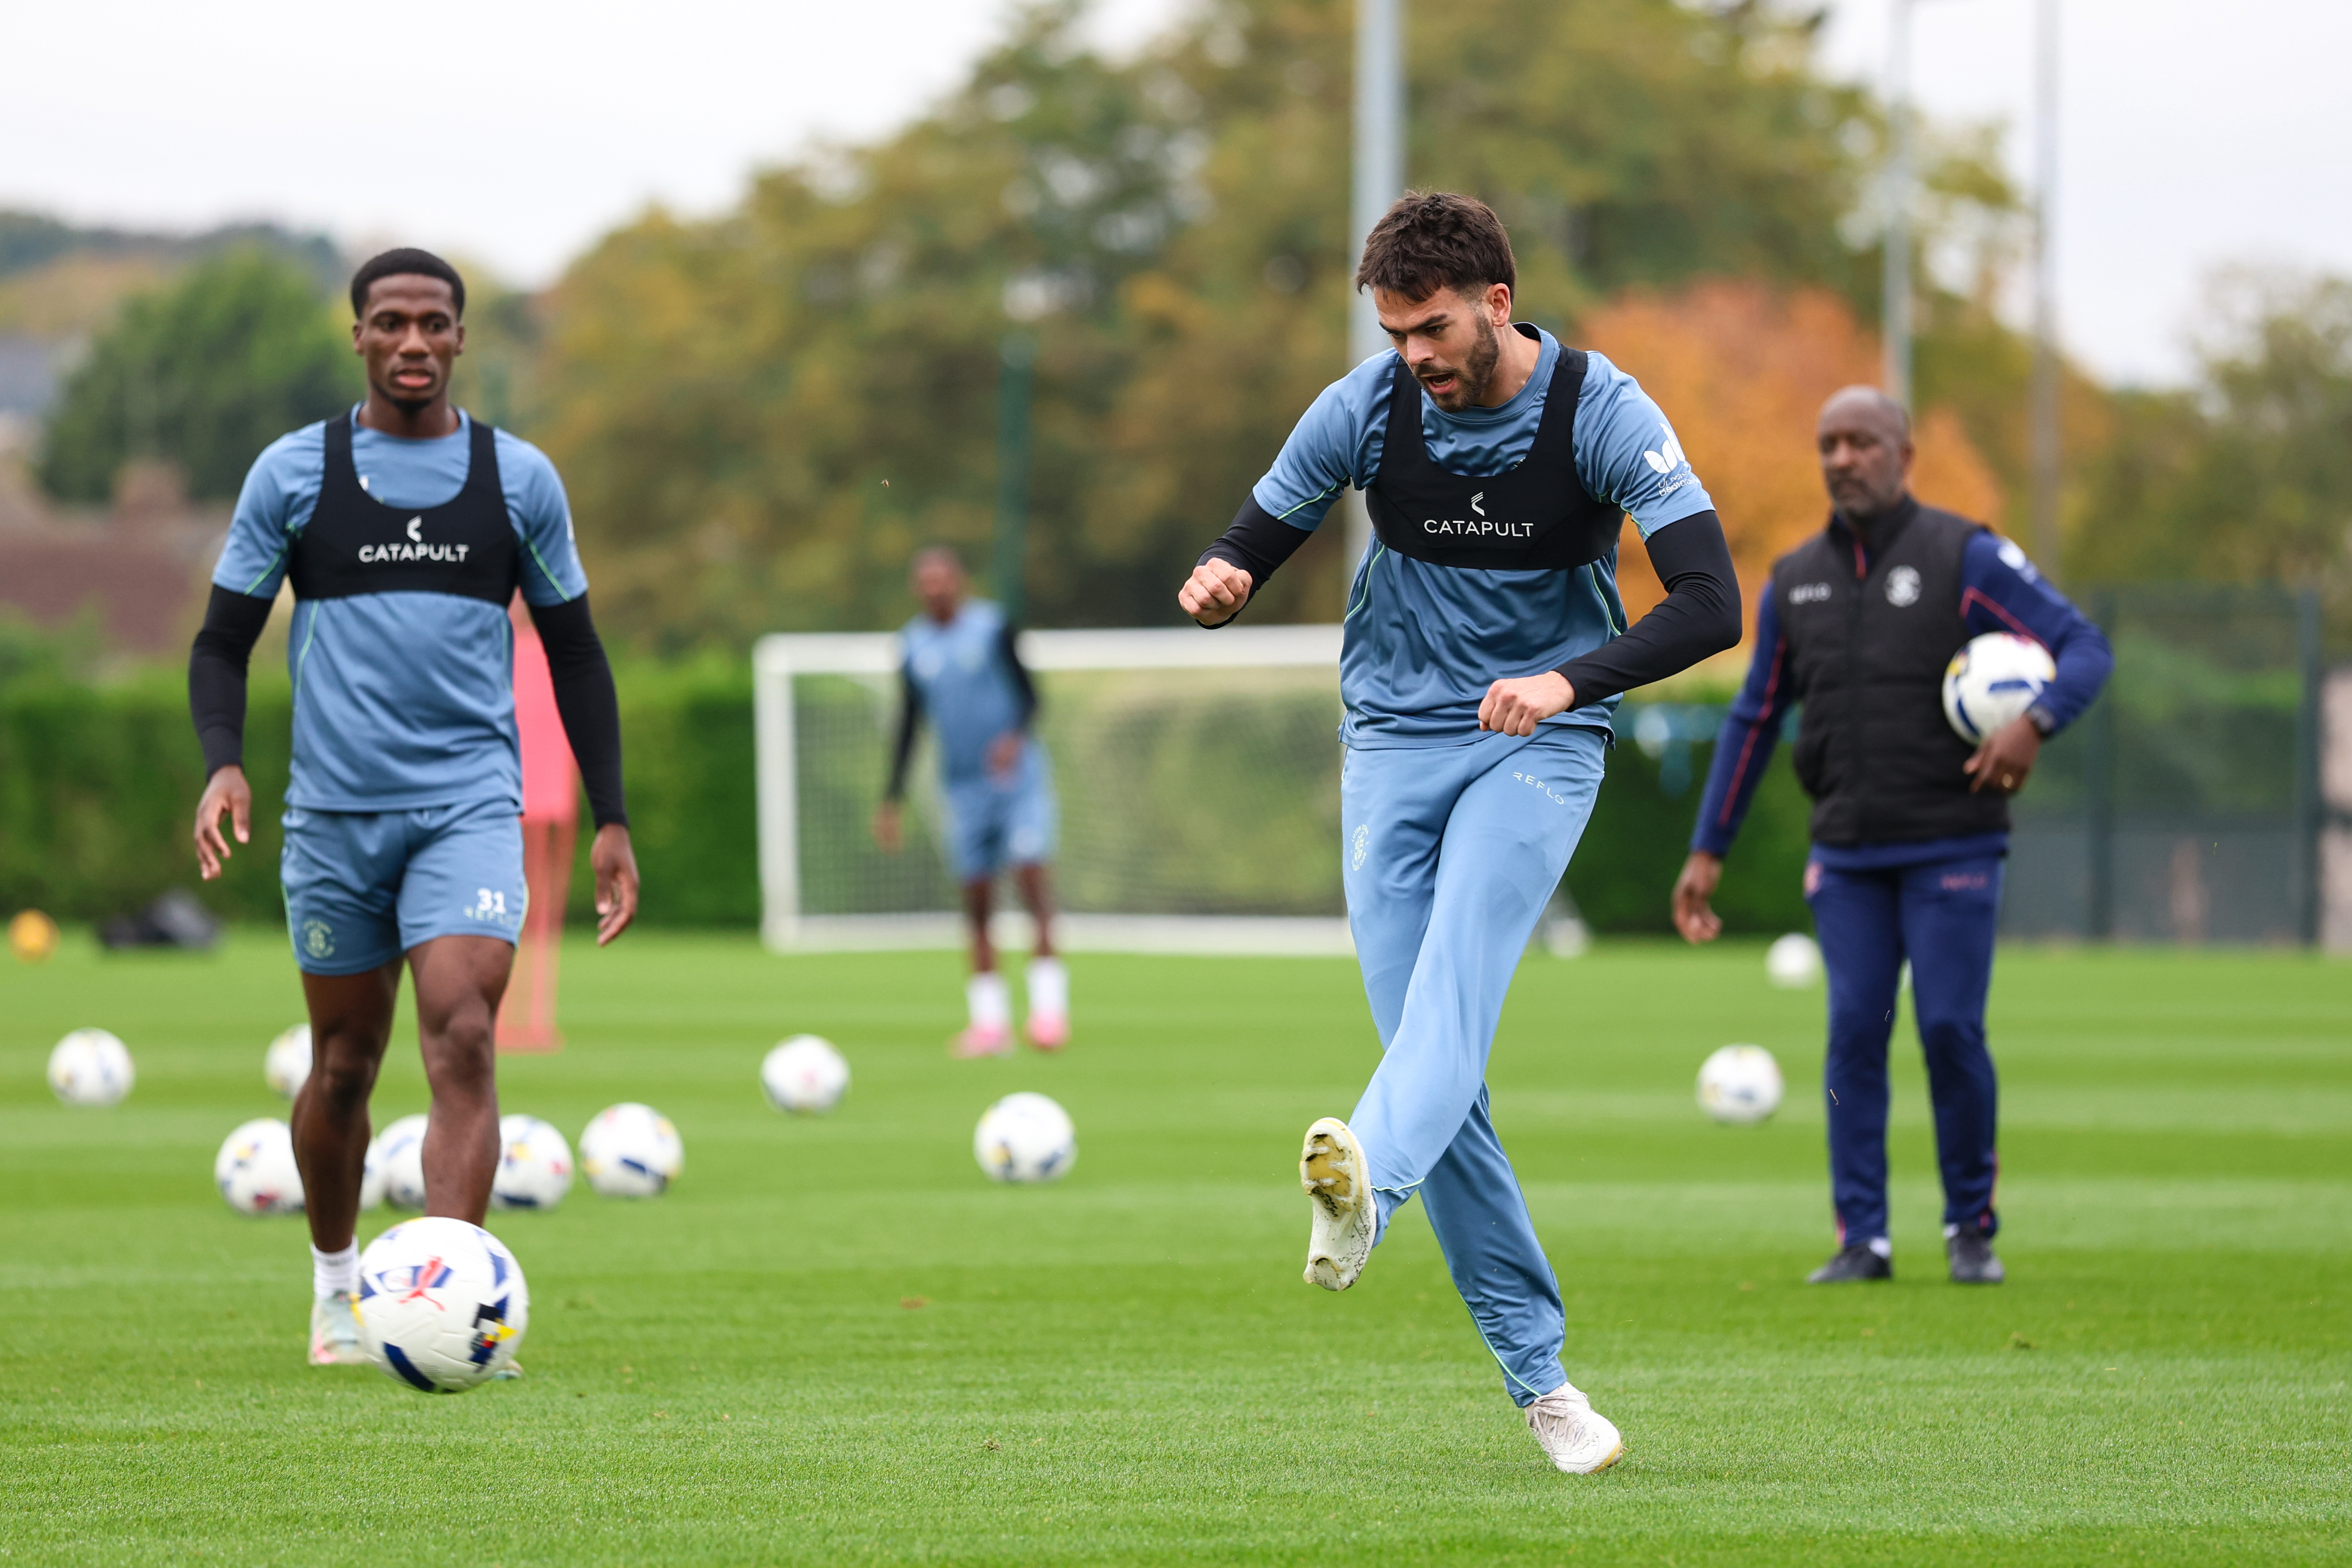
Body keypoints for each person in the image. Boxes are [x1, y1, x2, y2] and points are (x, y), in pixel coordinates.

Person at [1176, 193, 1741, 1474]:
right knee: (1444, 1063)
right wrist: (1222, 582)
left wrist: (1569, 680)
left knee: (1457, 986)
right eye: (1393, 333)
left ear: (1497, 302)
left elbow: (1714, 603)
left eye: (1431, 328)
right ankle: (1542, 1380)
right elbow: (1254, 537)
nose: (1414, 356)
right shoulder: (1365, 407)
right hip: (1390, 740)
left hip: (1538, 741)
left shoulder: (1604, 413)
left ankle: (1370, 1171)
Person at [188, 248, 637, 1369]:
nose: (413, 342)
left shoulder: (517, 479)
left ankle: (453, 1301)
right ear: (359, 338)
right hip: (335, 817)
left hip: (465, 806)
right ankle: (336, 1288)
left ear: (460, 338)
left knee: (466, 1033)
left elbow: (577, 651)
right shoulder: (293, 475)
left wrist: (612, 817)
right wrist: (223, 761)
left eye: (434, 323)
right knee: (344, 1061)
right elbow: (221, 641)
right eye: (390, 322)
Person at [1672, 386, 2111, 1287]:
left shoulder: (1967, 556)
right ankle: (1862, 1239)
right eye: (1827, 443)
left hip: (1953, 845)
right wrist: (1707, 847)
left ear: (1902, 453)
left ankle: (1969, 1229)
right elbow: (1753, 720)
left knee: (1950, 1030)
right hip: (1846, 854)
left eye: (1861, 442)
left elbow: (2084, 647)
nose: (1842, 458)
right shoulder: (1795, 578)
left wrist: (2033, 725)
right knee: (1851, 1035)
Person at [872, 547, 1067, 1056]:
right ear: (918, 588)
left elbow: (1031, 695)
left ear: (959, 581)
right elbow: (910, 723)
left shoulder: (993, 627)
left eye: (944, 578)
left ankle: (1048, 1015)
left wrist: (1012, 738)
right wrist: (890, 798)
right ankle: (990, 1025)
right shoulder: (913, 646)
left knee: (1030, 880)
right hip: (961, 789)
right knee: (977, 902)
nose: (936, 588)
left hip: (1016, 779)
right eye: (926, 581)